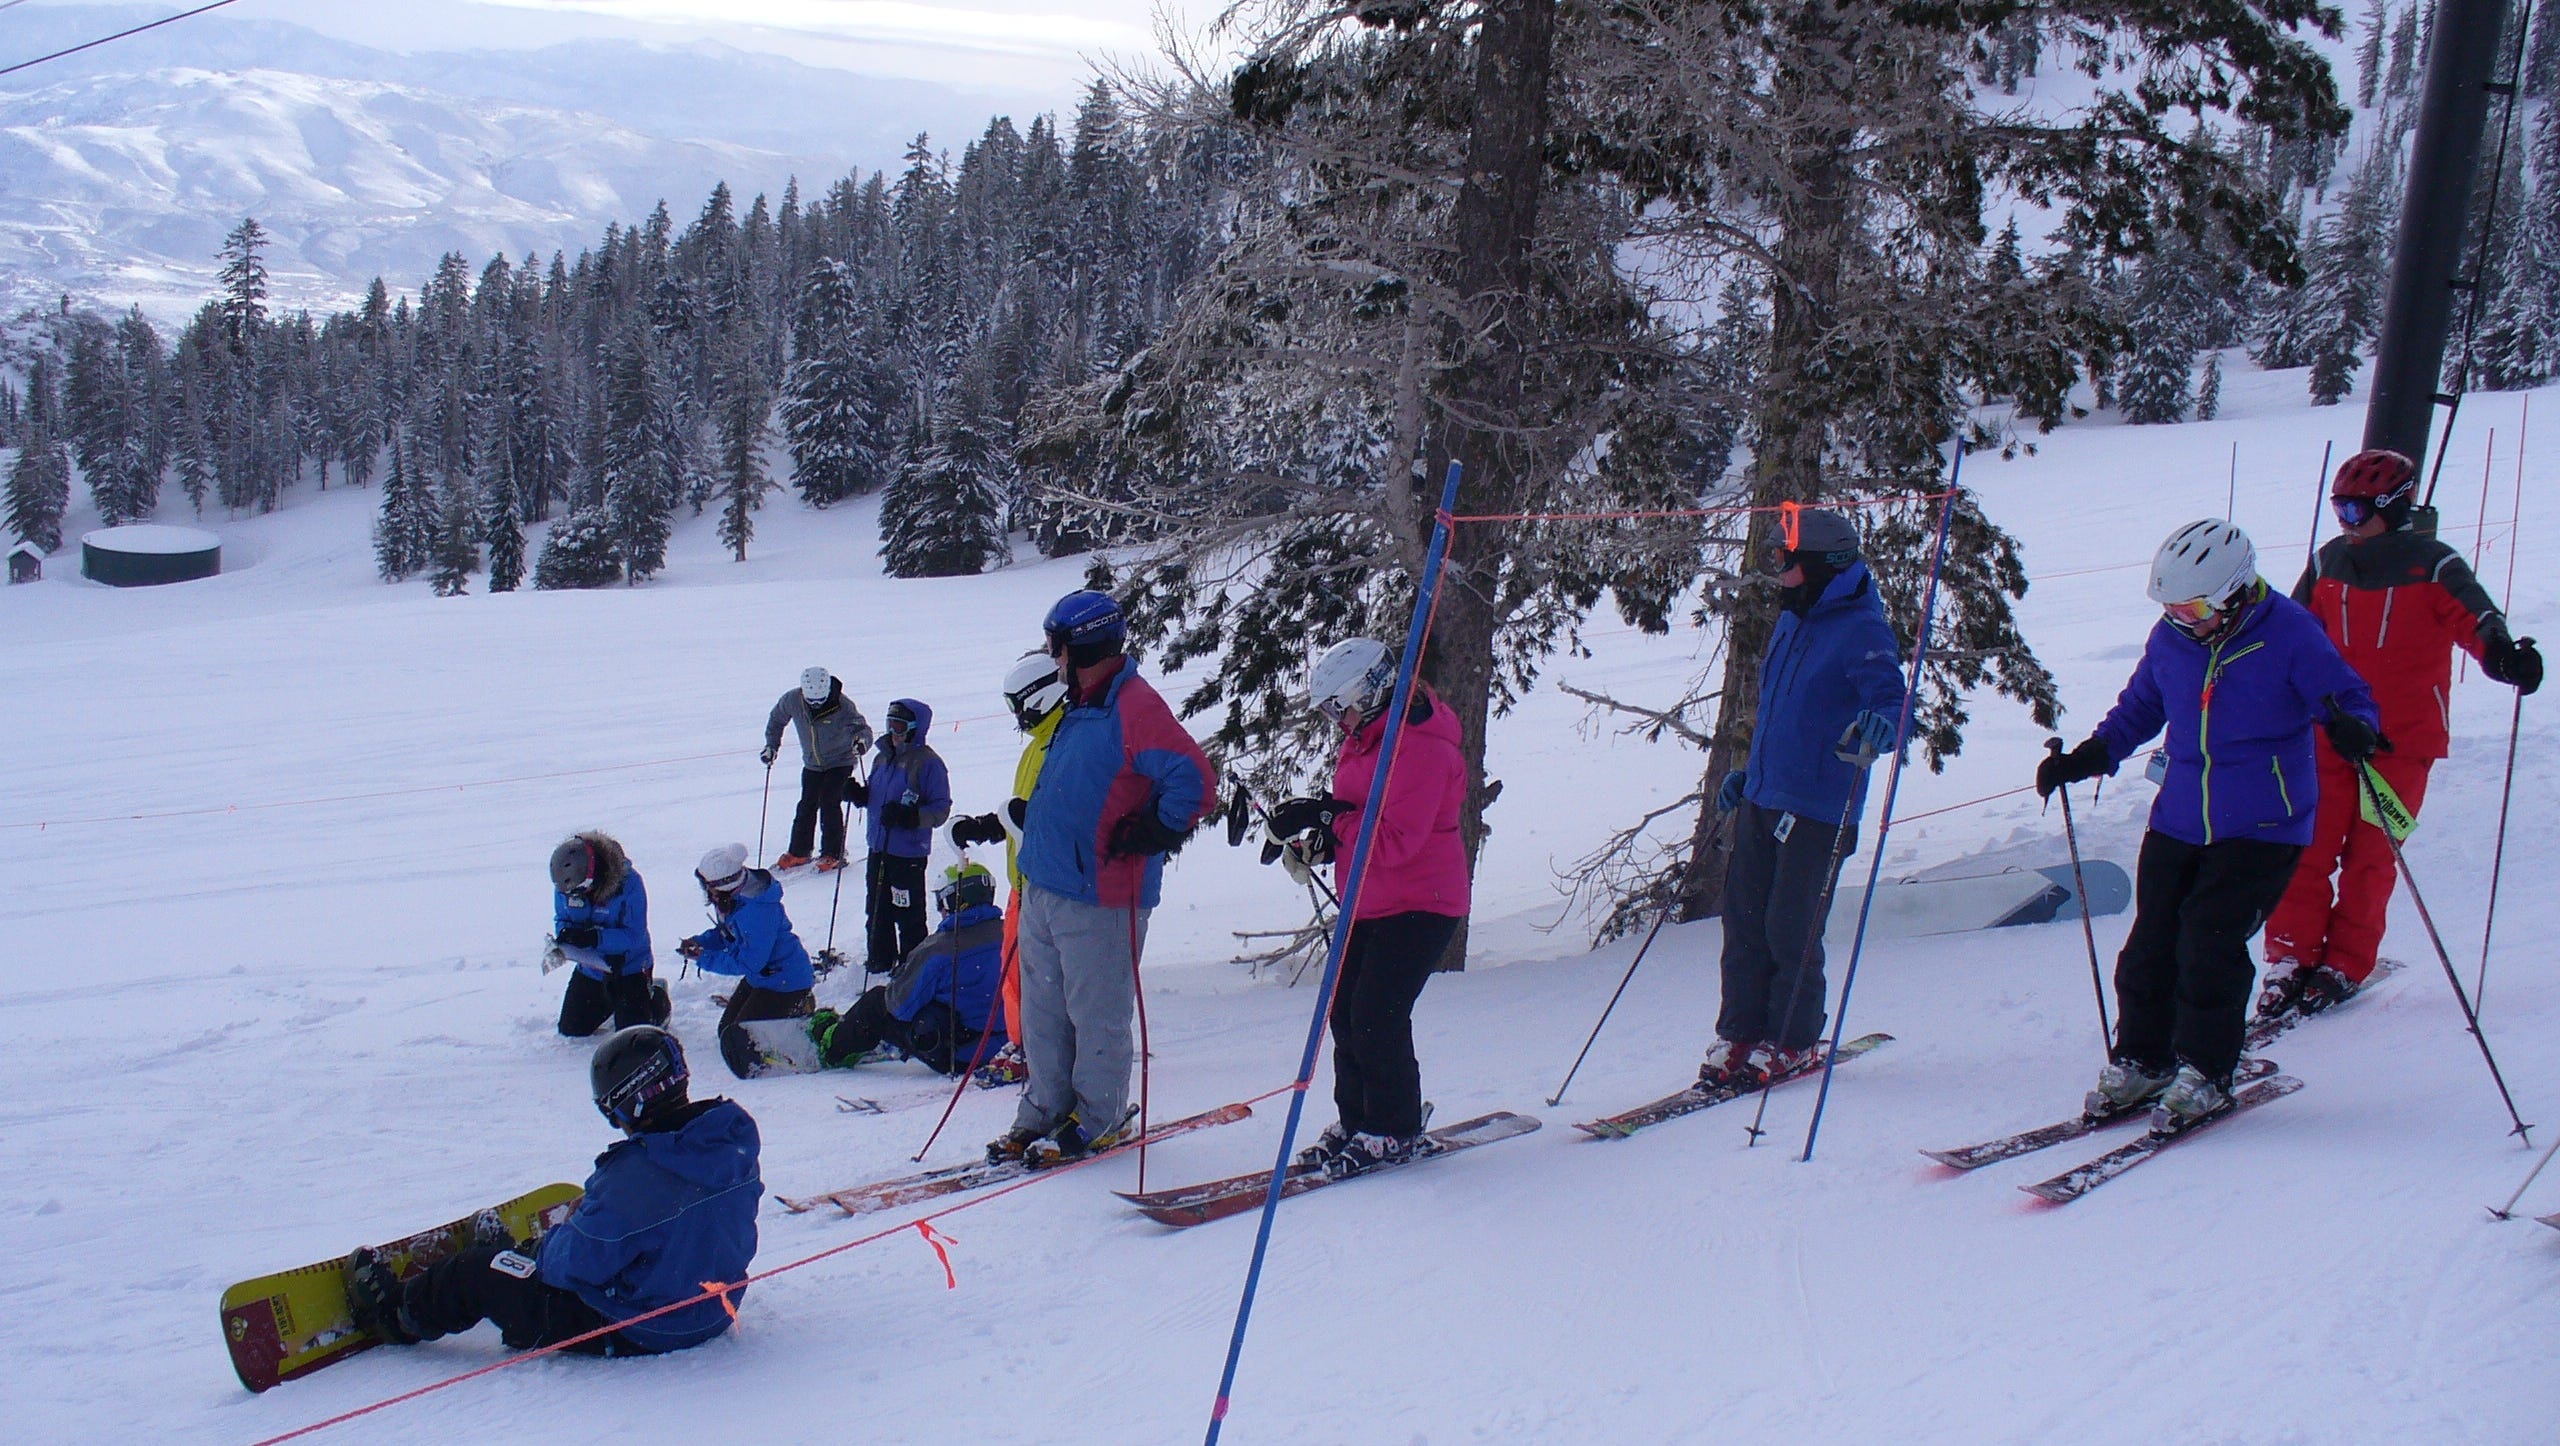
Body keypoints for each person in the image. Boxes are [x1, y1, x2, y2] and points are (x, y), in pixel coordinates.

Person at [2038, 519, 2382, 1125]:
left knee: (2209, 945)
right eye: (2169, 605)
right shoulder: (2174, 638)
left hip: (2263, 825)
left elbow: (2347, 696)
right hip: (2178, 817)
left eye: (2192, 606)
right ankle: (2145, 1061)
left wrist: (2357, 727)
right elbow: (2142, 705)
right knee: (2151, 947)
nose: (2180, 617)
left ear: (2235, 591)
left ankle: (2207, 1071)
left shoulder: (2291, 634)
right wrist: (2093, 755)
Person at [2259, 449, 2542, 1018]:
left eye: (2356, 510)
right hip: (2331, 729)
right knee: (2304, 847)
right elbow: (2292, 627)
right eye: (2338, 507)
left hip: (2402, 742)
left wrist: (2504, 656)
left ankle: (2346, 961)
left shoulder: (2434, 566)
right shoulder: (2329, 561)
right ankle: (2291, 956)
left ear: (2391, 506)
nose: (2345, 521)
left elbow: (2476, 619)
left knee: (2372, 855)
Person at [345, 1026, 760, 1357]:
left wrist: (546, 1251)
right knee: (604, 1241)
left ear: (627, 1107)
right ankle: (514, 1258)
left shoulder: (633, 1179)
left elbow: (572, 1267)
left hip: (639, 1328)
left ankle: (396, 1315)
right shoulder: (729, 1137)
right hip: (711, 1311)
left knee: (473, 1273)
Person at [987, 591, 1218, 1167]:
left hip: (1101, 895)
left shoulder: (1134, 706)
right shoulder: (1078, 701)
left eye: (1056, 645)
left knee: (1095, 1015)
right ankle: (1042, 1108)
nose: (1052, 656)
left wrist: (1154, 831)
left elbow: (1196, 779)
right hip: (1043, 881)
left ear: (1079, 645)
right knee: (1042, 1011)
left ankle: (1101, 1116)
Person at [1695, 506, 1907, 1092]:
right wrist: (1749, 772)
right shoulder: (1793, 619)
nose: (1778, 573)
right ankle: (1740, 1031)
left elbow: (1894, 701)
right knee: (1744, 920)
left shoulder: (1862, 627)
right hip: (1766, 795)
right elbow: (1781, 712)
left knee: (1791, 926)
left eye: (1786, 562)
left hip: (1820, 805)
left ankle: (1790, 1039)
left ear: (1819, 566)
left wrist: (1883, 727)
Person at [1261, 637, 1470, 1177]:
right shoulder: (1368, 738)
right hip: (1373, 898)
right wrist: (1322, 840)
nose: (1337, 719)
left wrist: (1327, 819)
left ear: (1370, 691)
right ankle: (1357, 1120)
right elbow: (1361, 815)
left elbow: (1398, 839)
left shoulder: (1420, 745)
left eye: (1341, 706)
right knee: (1346, 1011)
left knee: (1377, 1014)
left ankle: (1394, 1127)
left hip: (1424, 899)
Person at [948, 651, 1073, 1084]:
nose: (1016, 715)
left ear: (1041, 696)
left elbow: (1056, 816)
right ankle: (1027, 1042)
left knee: (1030, 971)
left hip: (1048, 883)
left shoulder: (1064, 740)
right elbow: (1022, 812)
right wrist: (984, 826)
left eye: (1018, 704)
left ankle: (1033, 1048)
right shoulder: (1040, 742)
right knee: (1015, 968)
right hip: (1024, 880)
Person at [808, 862, 1009, 1073]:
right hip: (1010, 1045)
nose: (941, 910)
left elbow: (898, 1005)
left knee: (876, 1003)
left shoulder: (940, 950)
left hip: (960, 1055)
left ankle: (832, 1048)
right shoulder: (1015, 936)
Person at [677, 843, 817, 1078]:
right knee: (727, 1032)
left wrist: (704, 958)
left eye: (708, 886)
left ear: (724, 885)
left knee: (744, 1042)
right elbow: (728, 933)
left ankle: (799, 1006)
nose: (706, 892)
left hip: (785, 981)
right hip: (762, 978)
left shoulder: (758, 911)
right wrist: (701, 942)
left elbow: (748, 961)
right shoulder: (737, 899)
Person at [850, 698, 950, 974]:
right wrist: (860, 796)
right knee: (877, 907)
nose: (894, 732)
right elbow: (876, 795)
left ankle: (912, 965)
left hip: (908, 853)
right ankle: (880, 958)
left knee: (907, 912)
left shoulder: (928, 763)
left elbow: (941, 809)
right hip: (879, 847)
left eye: (900, 726)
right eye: (890, 724)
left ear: (915, 728)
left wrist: (911, 817)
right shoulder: (882, 757)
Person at [549, 832, 669, 1035]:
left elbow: (634, 935)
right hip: (591, 968)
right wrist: (565, 935)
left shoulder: (629, 884)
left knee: (633, 1033)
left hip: (629, 966)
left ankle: (656, 998)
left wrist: (595, 938)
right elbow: (561, 918)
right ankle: (610, 1003)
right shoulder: (567, 884)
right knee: (571, 1029)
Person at [763, 666, 873, 871]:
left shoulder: (842, 704)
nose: (815, 705)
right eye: (811, 701)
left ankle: (833, 853)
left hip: (841, 761)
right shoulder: (792, 700)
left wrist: (861, 743)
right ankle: (799, 852)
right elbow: (776, 720)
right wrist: (771, 745)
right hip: (813, 763)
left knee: (830, 802)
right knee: (806, 805)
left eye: (820, 701)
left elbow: (862, 728)